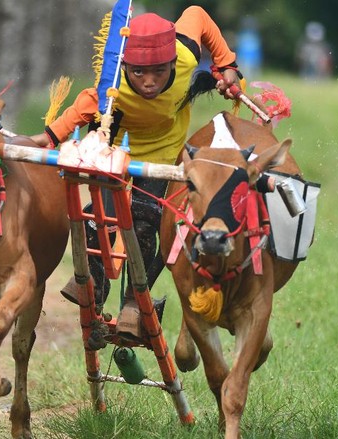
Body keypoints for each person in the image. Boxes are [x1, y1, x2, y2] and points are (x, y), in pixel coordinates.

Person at [31, 7, 243, 337]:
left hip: (162, 151)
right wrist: (46, 138)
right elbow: (83, 106)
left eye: (159, 71)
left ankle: (134, 302)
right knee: (96, 218)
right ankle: (95, 290)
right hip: (116, 149)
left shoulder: (185, 53)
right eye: (139, 72)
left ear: (174, 63)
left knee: (146, 219)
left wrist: (227, 64)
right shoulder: (113, 85)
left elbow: (197, 14)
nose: (148, 81)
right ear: (126, 65)